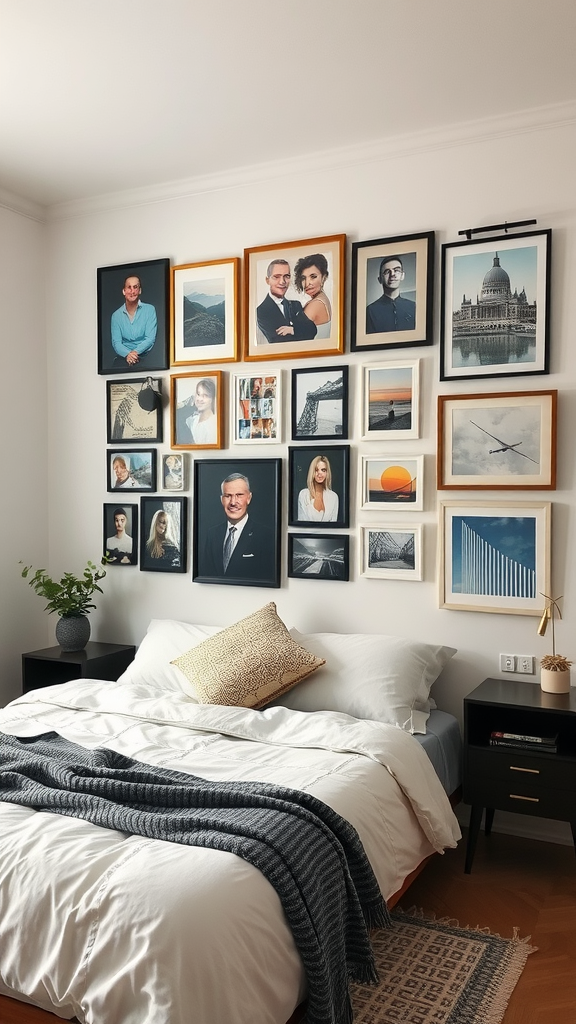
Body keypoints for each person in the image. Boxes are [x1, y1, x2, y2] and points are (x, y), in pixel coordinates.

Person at [202, 472, 275, 581]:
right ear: (222, 499)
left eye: (239, 495)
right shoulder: (212, 534)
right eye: (228, 496)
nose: (233, 502)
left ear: (249, 498)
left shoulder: (266, 535)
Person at [256, 259, 318, 344]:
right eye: (276, 277)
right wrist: (300, 330)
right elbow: (279, 340)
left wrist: (292, 330)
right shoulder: (261, 311)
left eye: (286, 276)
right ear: (268, 280)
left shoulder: (296, 305)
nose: (282, 282)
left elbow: (312, 330)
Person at [111, 275, 158, 367]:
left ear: (139, 290)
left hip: (146, 356)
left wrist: (134, 353)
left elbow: (150, 338)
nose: (132, 291)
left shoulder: (150, 310)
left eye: (135, 287)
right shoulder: (116, 316)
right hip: (123, 357)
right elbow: (116, 343)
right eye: (129, 287)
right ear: (124, 291)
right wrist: (128, 354)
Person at [366, 254, 416, 334]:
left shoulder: (414, 307)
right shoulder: (370, 311)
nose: (392, 274)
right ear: (380, 279)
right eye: (387, 272)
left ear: (402, 276)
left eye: (396, 270)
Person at [292, 253, 331, 336]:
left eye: (313, 277)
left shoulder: (316, 304)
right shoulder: (321, 298)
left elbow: (298, 336)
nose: (307, 283)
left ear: (324, 277)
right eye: (303, 278)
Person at [297, 454, 339, 522]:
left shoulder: (334, 497)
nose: (320, 473)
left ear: (327, 473)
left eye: (323, 470)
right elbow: (302, 524)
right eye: (316, 470)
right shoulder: (303, 494)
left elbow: (333, 525)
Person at [184, 378, 217, 445]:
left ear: (213, 399)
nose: (199, 399)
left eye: (205, 396)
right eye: (198, 394)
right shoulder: (192, 419)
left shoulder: (213, 425)